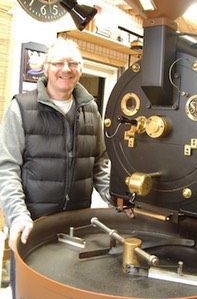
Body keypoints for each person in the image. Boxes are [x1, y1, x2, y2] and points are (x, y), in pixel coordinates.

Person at [0, 37, 114, 298]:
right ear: (46, 68)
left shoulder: (91, 109)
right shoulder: (20, 108)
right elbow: (6, 168)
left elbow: (99, 162)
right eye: (59, 63)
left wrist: (116, 198)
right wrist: (17, 215)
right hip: (34, 227)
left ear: (81, 69)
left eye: (73, 63)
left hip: (78, 225)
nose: (66, 69)